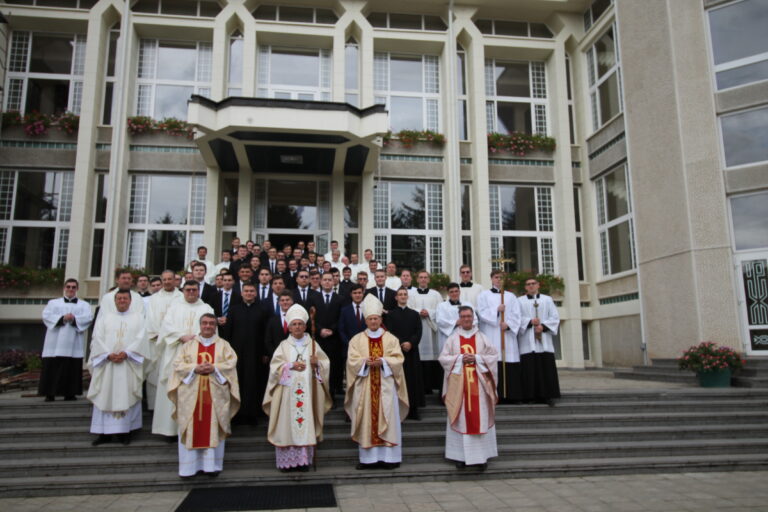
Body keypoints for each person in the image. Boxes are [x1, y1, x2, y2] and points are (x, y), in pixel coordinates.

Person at [168, 314, 240, 478]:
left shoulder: (224, 345)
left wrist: (214, 368)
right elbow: (178, 365)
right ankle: (189, 468)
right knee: (192, 427)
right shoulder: (188, 345)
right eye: (205, 323)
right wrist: (195, 368)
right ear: (199, 325)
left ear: (216, 326)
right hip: (191, 395)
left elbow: (231, 363)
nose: (208, 326)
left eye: (211, 324)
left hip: (215, 394)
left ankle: (212, 466)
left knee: (213, 427)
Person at [263, 304, 332, 472]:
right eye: (294, 324)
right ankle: (287, 462)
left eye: (300, 324)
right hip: (288, 394)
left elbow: (325, 364)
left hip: (308, 392)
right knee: (287, 425)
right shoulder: (283, 346)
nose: (297, 327)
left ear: (305, 326)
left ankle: (303, 461)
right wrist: (289, 366)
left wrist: (318, 365)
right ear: (289, 327)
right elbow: (274, 368)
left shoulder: (313, 345)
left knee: (305, 422)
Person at [345, 294, 408, 470]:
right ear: (366, 320)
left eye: (376, 318)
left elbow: (398, 358)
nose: (373, 321)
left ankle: (390, 458)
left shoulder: (391, 339)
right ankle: (368, 459)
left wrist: (384, 362)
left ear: (381, 319)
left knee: (388, 418)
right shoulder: (357, 340)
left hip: (386, 387)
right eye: (370, 319)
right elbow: (351, 361)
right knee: (366, 420)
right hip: (365, 386)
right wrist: (365, 362)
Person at [152, 281, 214, 438]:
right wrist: (181, 336)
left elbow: (212, 329)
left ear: (199, 291)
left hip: (198, 355)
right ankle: (169, 430)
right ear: (183, 291)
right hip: (176, 352)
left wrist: (196, 338)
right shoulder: (174, 308)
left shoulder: (206, 308)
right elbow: (166, 327)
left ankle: (192, 428)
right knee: (174, 388)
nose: (191, 292)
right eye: (188, 290)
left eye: (194, 290)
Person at [439, 306, 498, 469]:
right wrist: (459, 359)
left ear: (473, 318)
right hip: (459, 388)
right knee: (461, 418)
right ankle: (460, 457)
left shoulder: (482, 338)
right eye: (463, 316)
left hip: (479, 386)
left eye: (469, 316)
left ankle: (482, 457)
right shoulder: (452, 338)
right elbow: (443, 358)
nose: (466, 319)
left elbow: (493, 357)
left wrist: (477, 358)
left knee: (480, 417)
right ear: (459, 318)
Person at [87, 290, 149, 446]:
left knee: (127, 394)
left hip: (128, 364)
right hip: (107, 365)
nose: (122, 300)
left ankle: (124, 432)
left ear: (130, 301)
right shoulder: (104, 318)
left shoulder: (138, 318)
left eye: (125, 298)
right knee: (104, 394)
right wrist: (107, 355)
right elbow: (97, 339)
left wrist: (127, 353)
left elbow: (142, 339)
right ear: (114, 301)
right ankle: (103, 433)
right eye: (119, 298)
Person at [39, 279, 93, 401]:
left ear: (77, 289)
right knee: (52, 368)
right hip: (54, 343)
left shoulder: (84, 305)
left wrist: (74, 319)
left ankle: (70, 393)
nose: (70, 289)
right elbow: (46, 316)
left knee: (71, 369)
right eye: (68, 287)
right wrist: (62, 318)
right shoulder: (53, 303)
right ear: (64, 288)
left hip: (73, 344)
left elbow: (88, 318)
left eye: (73, 287)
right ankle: (50, 394)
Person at [220, 283, 265, 425]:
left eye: (252, 291)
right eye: (246, 291)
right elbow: (228, 332)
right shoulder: (234, 310)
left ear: (256, 293)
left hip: (256, 354)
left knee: (254, 382)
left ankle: (253, 413)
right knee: (237, 382)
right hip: (237, 353)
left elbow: (265, 334)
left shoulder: (262, 310)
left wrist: (265, 353)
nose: (249, 293)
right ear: (241, 293)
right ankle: (237, 414)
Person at [476, 270, 523, 403]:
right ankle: (493, 395)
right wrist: (496, 311)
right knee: (492, 362)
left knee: (509, 362)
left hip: (507, 336)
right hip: (491, 334)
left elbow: (517, 314)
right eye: (496, 277)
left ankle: (511, 396)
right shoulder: (483, 295)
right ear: (491, 279)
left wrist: (508, 325)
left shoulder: (511, 296)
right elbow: (481, 312)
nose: (499, 280)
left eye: (501, 278)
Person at [517, 277, 561, 406]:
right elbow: (516, 318)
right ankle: (530, 396)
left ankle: (548, 395)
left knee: (545, 368)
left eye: (533, 284)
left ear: (538, 285)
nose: (531, 286)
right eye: (528, 284)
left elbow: (555, 317)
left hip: (544, 340)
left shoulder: (547, 300)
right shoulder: (519, 301)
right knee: (529, 369)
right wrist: (529, 322)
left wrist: (543, 326)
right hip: (527, 340)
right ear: (525, 287)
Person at [145, 270, 183, 410]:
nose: (167, 282)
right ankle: (155, 408)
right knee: (156, 375)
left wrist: (173, 336)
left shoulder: (181, 296)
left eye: (170, 279)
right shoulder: (154, 298)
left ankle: (173, 406)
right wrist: (159, 335)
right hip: (158, 343)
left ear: (175, 280)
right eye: (164, 279)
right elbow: (150, 318)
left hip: (175, 344)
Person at [385, 287, 424, 420]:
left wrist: (411, 343)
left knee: (412, 380)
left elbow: (418, 331)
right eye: (400, 294)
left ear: (407, 297)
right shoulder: (390, 315)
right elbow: (389, 332)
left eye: (404, 294)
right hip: (397, 353)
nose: (402, 296)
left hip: (412, 352)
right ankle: (399, 409)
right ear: (396, 298)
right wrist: (401, 343)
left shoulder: (414, 314)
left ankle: (413, 410)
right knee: (399, 380)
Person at [408, 270, 442, 394]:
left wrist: (429, 312)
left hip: (430, 328)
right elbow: (409, 309)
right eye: (421, 277)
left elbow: (440, 309)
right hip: (417, 329)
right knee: (419, 357)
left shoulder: (436, 294)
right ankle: (419, 386)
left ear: (428, 280)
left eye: (425, 277)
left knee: (431, 356)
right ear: (417, 280)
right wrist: (419, 312)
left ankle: (430, 386)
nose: (423, 280)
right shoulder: (411, 294)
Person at [315, 273, 344, 398]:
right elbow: (310, 318)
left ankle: (331, 396)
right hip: (318, 340)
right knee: (319, 368)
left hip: (334, 340)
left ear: (334, 282)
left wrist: (332, 330)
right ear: (320, 282)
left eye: (330, 280)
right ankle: (319, 396)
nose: (327, 282)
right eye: (325, 280)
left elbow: (341, 318)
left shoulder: (340, 299)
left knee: (333, 369)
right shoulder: (313, 298)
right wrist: (320, 330)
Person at [436, 283, 477, 354]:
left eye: (456, 291)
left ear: (459, 292)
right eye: (451, 292)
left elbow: (475, 320)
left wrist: (466, 323)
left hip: (465, 336)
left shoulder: (468, 304)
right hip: (449, 337)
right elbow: (440, 320)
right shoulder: (442, 306)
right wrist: (455, 322)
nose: (454, 294)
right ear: (448, 293)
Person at [264, 291, 295, 357]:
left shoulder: (297, 319)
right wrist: (276, 354)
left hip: (295, 355)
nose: (285, 302)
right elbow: (268, 340)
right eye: (282, 300)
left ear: (292, 301)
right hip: (277, 356)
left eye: (287, 300)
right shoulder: (272, 320)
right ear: (279, 303)